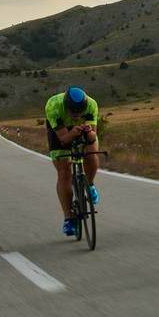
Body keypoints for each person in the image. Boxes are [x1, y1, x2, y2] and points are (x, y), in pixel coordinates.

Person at [44, 86, 101, 236]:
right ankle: (69, 218)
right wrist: (72, 133)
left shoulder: (91, 104)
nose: (76, 116)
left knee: (92, 152)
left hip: (83, 129)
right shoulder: (54, 106)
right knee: (64, 172)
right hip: (60, 131)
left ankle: (90, 184)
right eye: (73, 113)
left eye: (79, 113)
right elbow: (63, 140)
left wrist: (88, 132)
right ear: (66, 107)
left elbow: (92, 138)